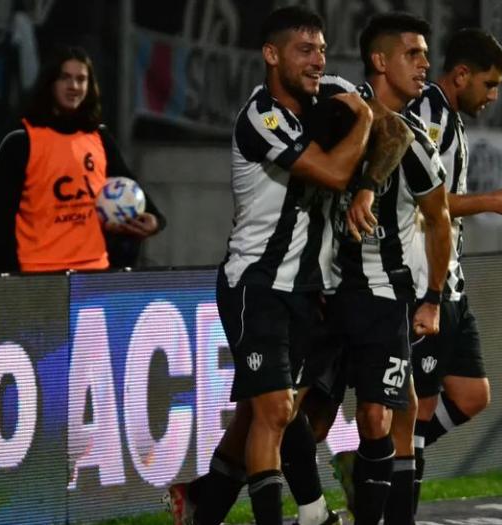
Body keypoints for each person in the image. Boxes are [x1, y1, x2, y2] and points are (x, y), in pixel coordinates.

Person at [164, 7, 373, 525]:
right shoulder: (262, 117)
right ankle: (311, 515)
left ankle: (201, 507)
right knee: (278, 410)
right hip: (256, 283)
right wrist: (366, 120)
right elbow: (331, 171)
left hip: (308, 289)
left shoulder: (332, 92)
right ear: (272, 55)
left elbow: (390, 133)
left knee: (270, 415)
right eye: (305, 50)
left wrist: (370, 178)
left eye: (322, 49)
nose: (318, 60)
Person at [328, 12, 452, 525]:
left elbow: (439, 219)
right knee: (294, 416)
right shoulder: (338, 103)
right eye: (412, 53)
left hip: (383, 295)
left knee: (377, 415)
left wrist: (433, 299)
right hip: (323, 290)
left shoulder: (420, 138)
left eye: (426, 53)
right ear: (380, 60)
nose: (425, 63)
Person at [406, 28, 502, 517]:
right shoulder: (429, 114)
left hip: (451, 280)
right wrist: (492, 203)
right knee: (418, 412)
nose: (493, 95)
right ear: (461, 75)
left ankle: (373, 464)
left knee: (472, 395)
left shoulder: (450, 118)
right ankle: (391, 495)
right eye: (489, 83)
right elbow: (422, 204)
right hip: (422, 282)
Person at [0, 45, 164, 274]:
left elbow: (136, 193)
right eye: (65, 78)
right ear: (50, 83)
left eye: (81, 79)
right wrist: (8, 282)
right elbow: (0, 223)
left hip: (95, 273)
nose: (74, 87)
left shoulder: (99, 137)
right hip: (38, 274)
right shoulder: (21, 141)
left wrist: (155, 221)